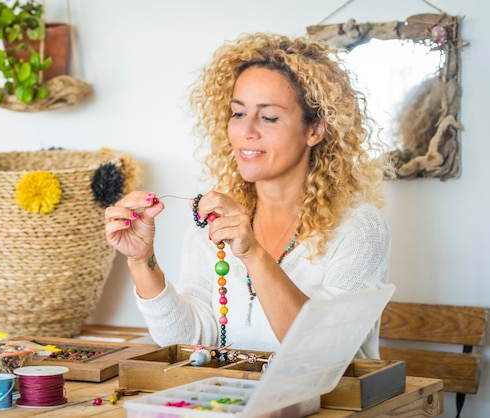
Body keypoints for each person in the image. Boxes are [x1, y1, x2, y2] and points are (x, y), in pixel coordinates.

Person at [104, 32, 392, 358]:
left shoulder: (357, 228)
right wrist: (143, 262)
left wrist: (253, 254)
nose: (246, 130)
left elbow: (321, 350)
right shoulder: (213, 223)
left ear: (315, 129)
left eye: (268, 117)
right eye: (238, 113)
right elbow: (189, 338)